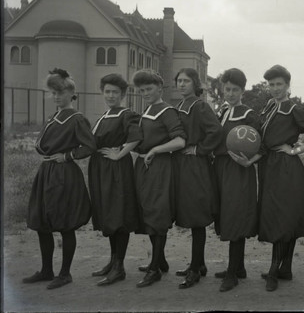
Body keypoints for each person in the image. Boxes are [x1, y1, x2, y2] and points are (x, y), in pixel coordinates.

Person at [249, 64, 304, 292]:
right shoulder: (268, 107)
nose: (274, 89)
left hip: (286, 169)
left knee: (281, 218)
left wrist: (296, 150)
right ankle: (286, 268)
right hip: (268, 166)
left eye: (279, 84)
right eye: (271, 85)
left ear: (288, 85)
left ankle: (274, 270)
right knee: (280, 216)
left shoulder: (293, 109)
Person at [23, 68, 96, 289]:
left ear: (71, 93)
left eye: (60, 93)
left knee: (65, 224)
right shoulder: (53, 116)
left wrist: (67, 156)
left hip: (64, 175)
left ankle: (65, 273)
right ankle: (47, 270)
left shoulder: (77, 119)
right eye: (53, 93)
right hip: (46, 173)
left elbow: (90, 146)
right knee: (42, 223)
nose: (56, 97)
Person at [133, 69, 187, 288]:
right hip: (145, 166)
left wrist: (155, 150)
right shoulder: (147, 110)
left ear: (160, 89)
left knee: (157, 214)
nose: (145, 92)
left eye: (149, 89)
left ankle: (155, 269)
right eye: (142, 90)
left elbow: (180, 142)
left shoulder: (167, 111)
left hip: (160, 167)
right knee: (148, 212)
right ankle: (160, 260)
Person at [88, 73, 142, 286]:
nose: (111, 95)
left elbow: (136, 138)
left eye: (115, 92)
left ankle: (119, 267)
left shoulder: (126, 114)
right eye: (107, 91)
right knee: (109, 214)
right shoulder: (104, 116)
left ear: (123, 94)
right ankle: (112, 261)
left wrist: (119, 154)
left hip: (117, 170)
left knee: (118, 215)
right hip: (101, 169)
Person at [173, 67, 223, 289]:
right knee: (189, 214)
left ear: (195, 83)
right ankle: (199, 263)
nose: (182, 84)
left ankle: (195, 269)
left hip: (196, 167)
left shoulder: (200, 106)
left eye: (186, 81)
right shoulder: (179, 106)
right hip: (182, 166)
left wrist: (200, 150)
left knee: (196, 218)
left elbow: (216, 131)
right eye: (179, 81)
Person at [212, 68, 259, 292]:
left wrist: (251, 162)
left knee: (235, 216)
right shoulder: (221, 111)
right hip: (220, 168)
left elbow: (264, 142)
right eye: (227, 89)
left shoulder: (248, 114)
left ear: (243, 90)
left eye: (235, 90)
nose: (230, 93)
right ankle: (238, 267)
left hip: (238, 170)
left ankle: (232, 273)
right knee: (224, 215)